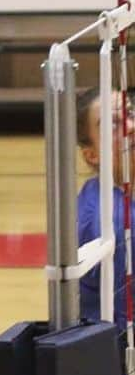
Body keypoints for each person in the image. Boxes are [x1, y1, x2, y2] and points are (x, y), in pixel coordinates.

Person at [76, 86, 135, 325]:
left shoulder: (98, 187)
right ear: (92, 155)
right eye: (112, 126)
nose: (129, 127)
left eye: (130, 114)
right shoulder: (112, 225)